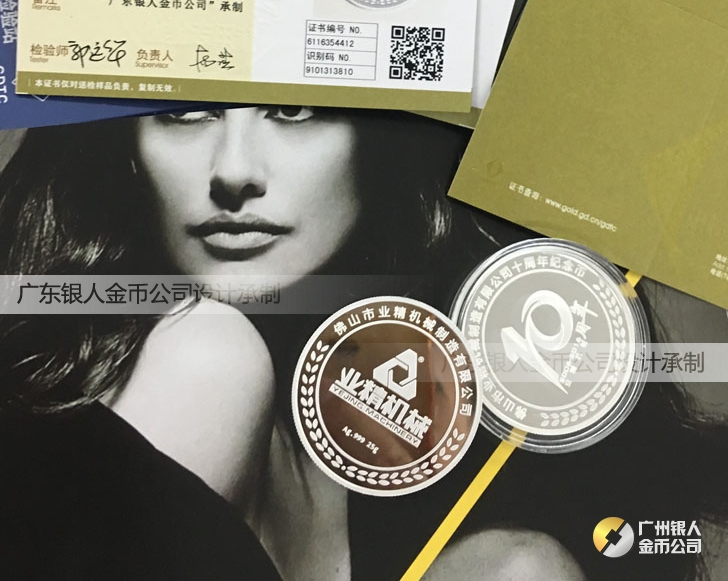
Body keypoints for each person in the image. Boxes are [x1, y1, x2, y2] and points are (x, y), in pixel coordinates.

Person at [0, 106, 725, 581]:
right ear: (124, 147)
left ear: (379, 140)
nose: (234, 171)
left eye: (293, 111)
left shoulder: (379, 428)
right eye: (186, 112)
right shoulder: (203, 358)